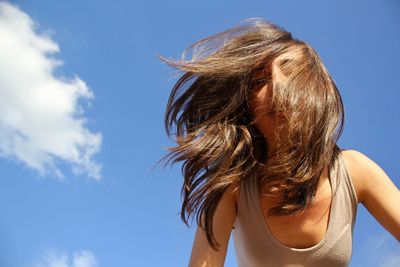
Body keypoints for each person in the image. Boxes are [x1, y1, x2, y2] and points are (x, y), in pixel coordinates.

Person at [160, 18, 400, 266]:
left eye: (290, 70)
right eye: (259, 81)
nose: (277, 85)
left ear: (317, 87)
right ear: (247, 107)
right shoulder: (231, 186)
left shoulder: (353, 170)